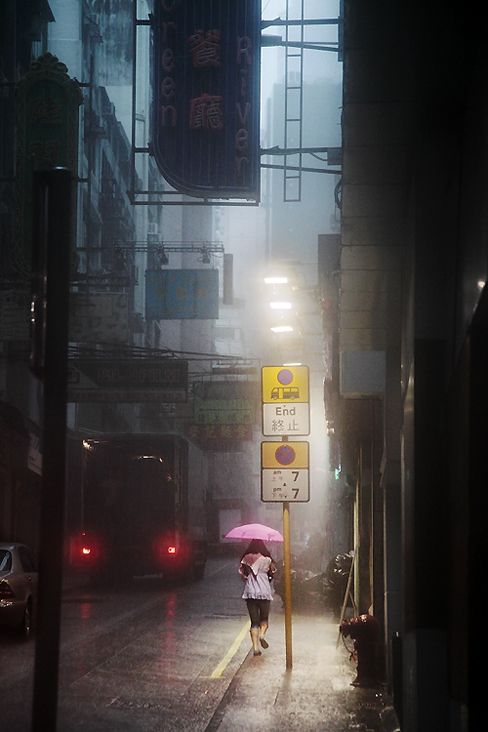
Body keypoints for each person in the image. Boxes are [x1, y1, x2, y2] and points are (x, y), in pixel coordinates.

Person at [239, 539, 276, 656]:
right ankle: (262, 635)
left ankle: (255, 648)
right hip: (264, 592)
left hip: (250, 592)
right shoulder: (267, 559)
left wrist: (248, 576)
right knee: (264, 619)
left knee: (254, 622)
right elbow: (273, 572)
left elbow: (242, 574)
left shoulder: (246, 558)